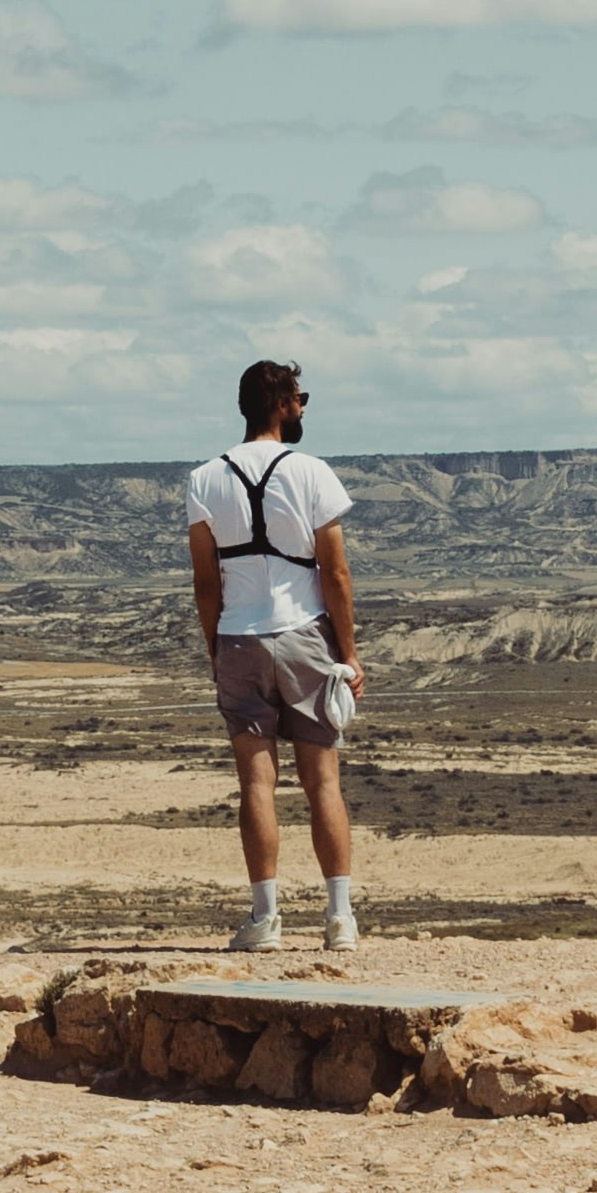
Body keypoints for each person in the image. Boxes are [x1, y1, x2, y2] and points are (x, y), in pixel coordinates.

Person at [186, 356, 361, 953]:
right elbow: (334, 572)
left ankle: (265, 918)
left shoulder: (204, 480)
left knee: (256, 784)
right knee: (323, 780)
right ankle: (339, 918)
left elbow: (206, 582)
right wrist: (350, 652)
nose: (305, 407)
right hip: (304, 634)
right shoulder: (312, 472)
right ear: (282, 403)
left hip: (239, 636)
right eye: (300, 397)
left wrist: (216, 647)